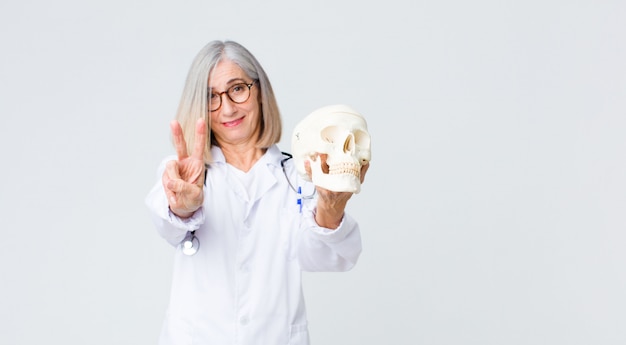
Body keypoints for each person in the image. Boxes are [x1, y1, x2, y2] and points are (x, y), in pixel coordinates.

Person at [145, 40, 369, 345]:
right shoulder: (183, 173)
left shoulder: (297, 177)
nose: (227, 107)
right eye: (211, 96)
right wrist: (185, 207)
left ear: (259, 90)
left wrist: (330, 210)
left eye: (237, 88)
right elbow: (167, 223)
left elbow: (322, 256)